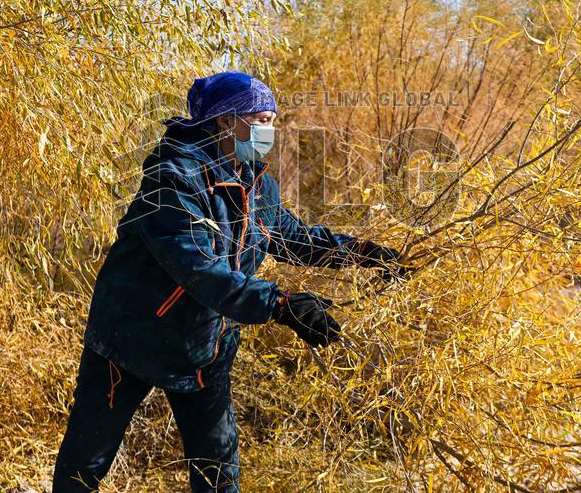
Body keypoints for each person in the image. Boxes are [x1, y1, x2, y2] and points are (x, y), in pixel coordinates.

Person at [52, 71, 405, 492]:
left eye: (273, 119)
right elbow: (199, 268)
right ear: (224, 121)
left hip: (203, 347)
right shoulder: (172, 179)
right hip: (130, 340)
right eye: (261, 118)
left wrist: (364, 255)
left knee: (218, 474)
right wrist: (280, 303)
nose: (270, 130)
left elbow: (293, 237)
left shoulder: (257, 182)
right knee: (84, 466)